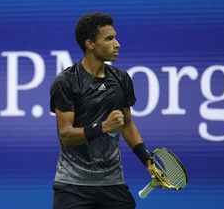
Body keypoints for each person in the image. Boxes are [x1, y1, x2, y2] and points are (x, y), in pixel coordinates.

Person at [50, 11, 154, 209]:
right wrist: (103, 127)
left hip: (113, 183)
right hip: (73, 185)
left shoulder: (121, 79)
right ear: (90, 44)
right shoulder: (66, 82)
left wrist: (147, 160)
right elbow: (65, 134)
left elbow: (127, 125)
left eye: (115, 37)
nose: (117, 44)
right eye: (109, 39)